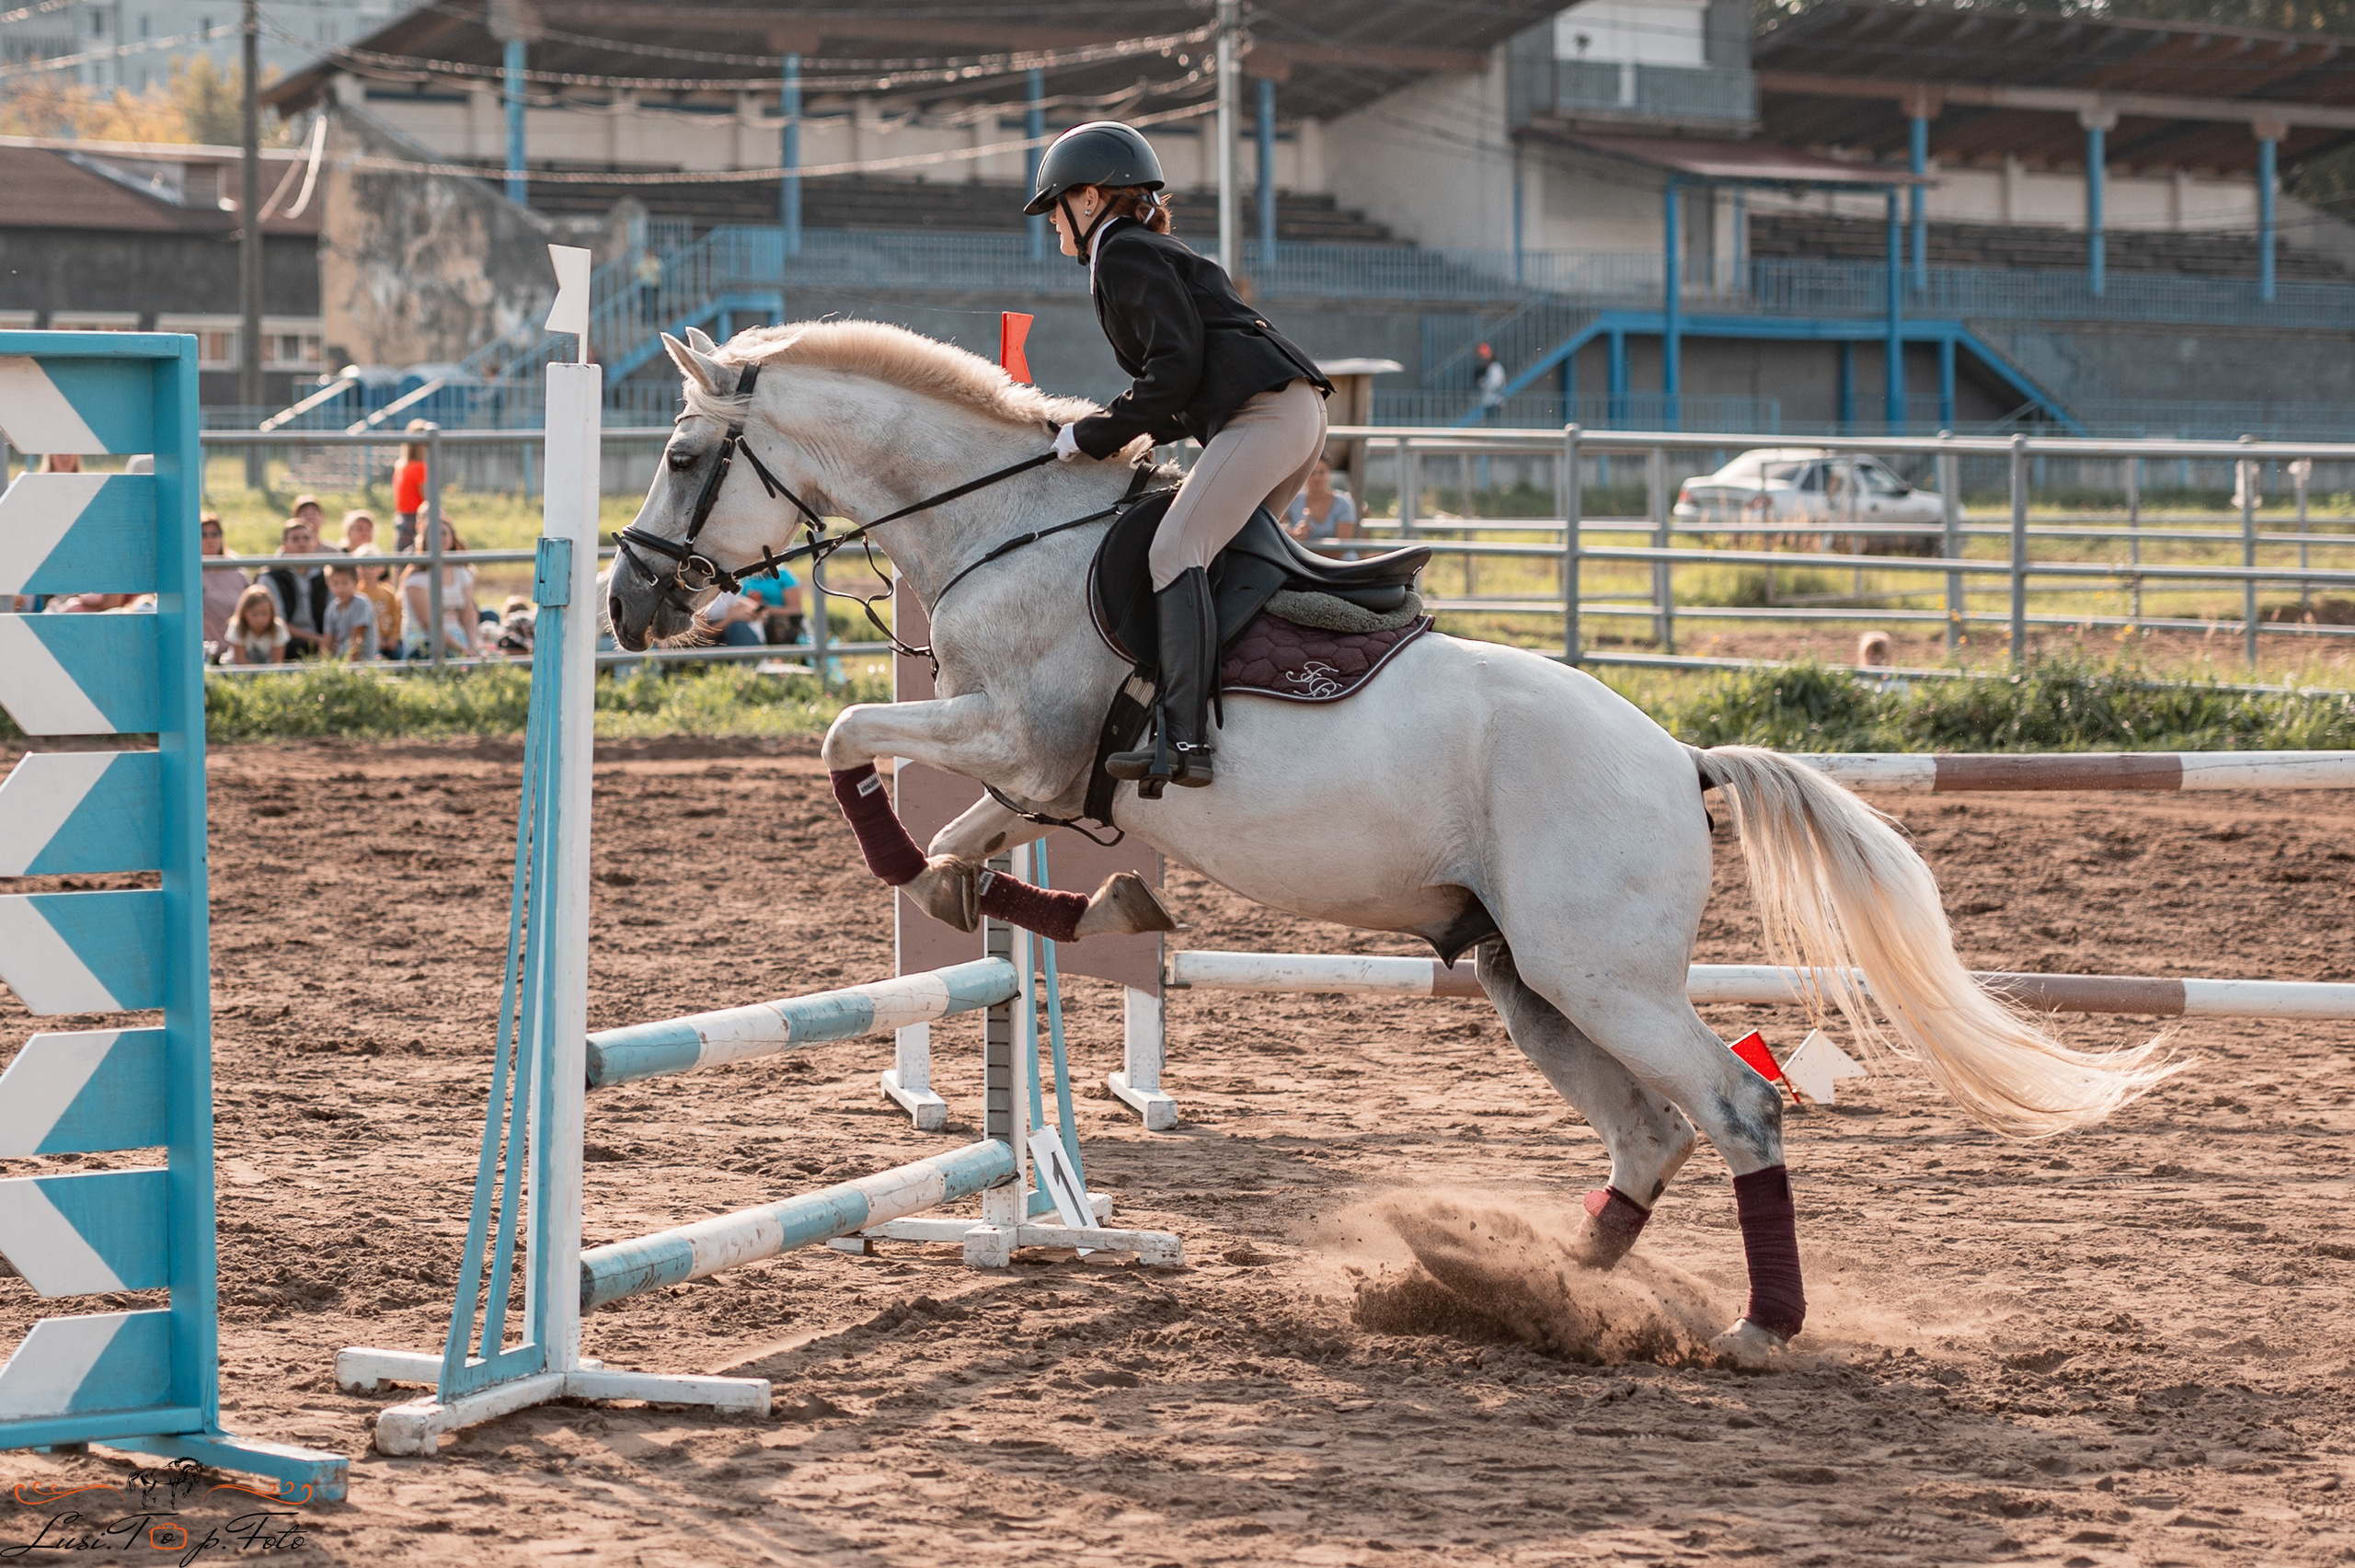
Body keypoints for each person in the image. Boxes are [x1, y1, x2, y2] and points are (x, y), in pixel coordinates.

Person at [1028, 120, 1332, 791]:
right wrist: (1119, 433)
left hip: (1264, 414)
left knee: (1174, 552)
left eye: (1056, 204)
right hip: (1288, 411)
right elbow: (1179, 385)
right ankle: (1268, 704)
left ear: (1089, 198)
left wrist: (1090, 435)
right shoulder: (1141, 248)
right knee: (1231, 559)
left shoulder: (1121, 253)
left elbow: (1172, 370)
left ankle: (1185, 738)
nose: (1050, 220)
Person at [398, 520, 477, 658]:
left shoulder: (462, 573)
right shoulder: (416, 578)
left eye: (444, 533)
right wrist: (463, 651)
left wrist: (472, 647)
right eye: (434, 534)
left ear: (452, 538)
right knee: (443, 657)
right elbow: (428, 624)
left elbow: (469, 615)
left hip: (458, 638)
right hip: (424, 640)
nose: (439, 538)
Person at [262, 516, 331, 657]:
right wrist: (316, 639)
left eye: (306, 538)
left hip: (324, 640)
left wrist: (328, 639)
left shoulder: (326, 574)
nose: (302, 543)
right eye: (295, 539)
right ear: (284, 545)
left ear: (314, 543)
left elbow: (336, 613)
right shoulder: (271, 577)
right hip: (284, 642)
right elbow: (276, 621)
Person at [1281, 453, 1360, 550]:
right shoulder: (1293, 500)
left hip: (1334, 559)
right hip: (1301, 557)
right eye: (1312, 473)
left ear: (1329, 474)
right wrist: (1293, 534)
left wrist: (1306, 551)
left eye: (1321, 472)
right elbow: (1274, 526)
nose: (1317, 478)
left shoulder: (1344, 503)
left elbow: (1342, 549)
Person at [199, 512, 248, 646]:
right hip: (203, 645)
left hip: (237, 645)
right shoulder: (188, 571)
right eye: (203, 535)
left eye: (215, 534)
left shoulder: (237, 569)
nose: (210, 539)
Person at [322, 564, 380, 660]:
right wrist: (321, 663)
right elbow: (327, 641)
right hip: (341, 659)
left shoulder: (361, 603)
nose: (340, 588)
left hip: (362, 662)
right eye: (335, 583)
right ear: (328, 584)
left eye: (345, 583)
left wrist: (350, 667)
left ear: (356, 582)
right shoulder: (332, 607)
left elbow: (356, 643)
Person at [351, 542, 402, 651]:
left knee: (402, 655)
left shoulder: (388, 592)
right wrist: (374, 640)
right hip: (367, 642)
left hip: (389, 640)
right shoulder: (355, 594)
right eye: (362, 566)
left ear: (381, 568)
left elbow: (397, 616)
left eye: (371, 566)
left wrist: (394, 638)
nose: (366, 571)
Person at [221, 585, 290, 665]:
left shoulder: (278, 628)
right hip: (236, 670)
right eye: (254, 614)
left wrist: (265, 672)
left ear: (272, 613)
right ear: (244, 613)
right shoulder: (237, 626)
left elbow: (277, 662)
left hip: (268, 671)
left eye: (264, 613)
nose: (260, 620)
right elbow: (240, 661)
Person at [393, 423, 430, 553]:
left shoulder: (401, 467)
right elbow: (428, 499)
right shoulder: (419, 467)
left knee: (402, 557)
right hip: (416, 519)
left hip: (401, 518)